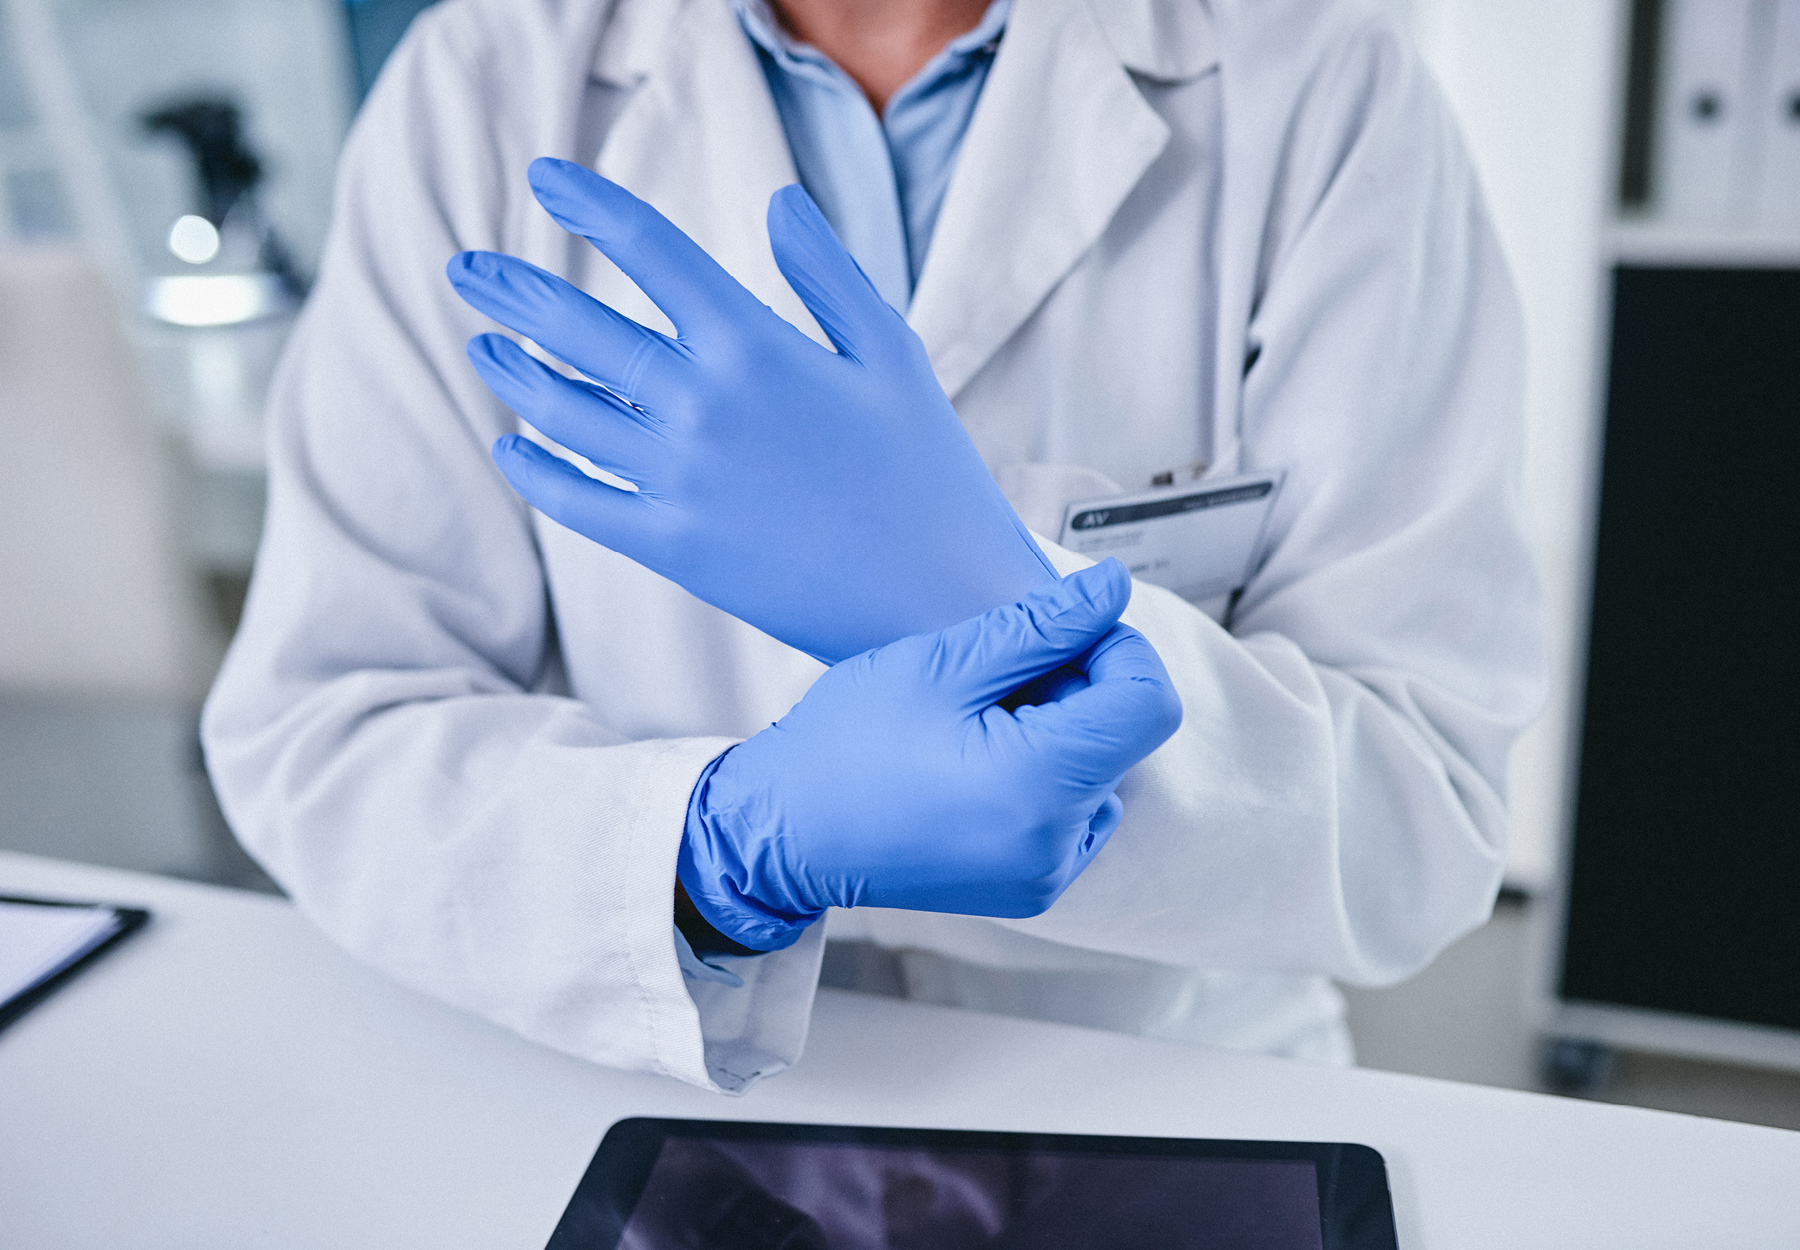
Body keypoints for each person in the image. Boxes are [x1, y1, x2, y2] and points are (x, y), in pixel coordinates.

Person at [202, 0, 1547, 1093]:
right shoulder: (480, 84)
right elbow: (326, 728)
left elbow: (1417, 809)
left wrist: (971, 595)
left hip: (1163, 1072)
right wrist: (713, 850)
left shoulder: (1326, 88)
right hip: (657, 1071)